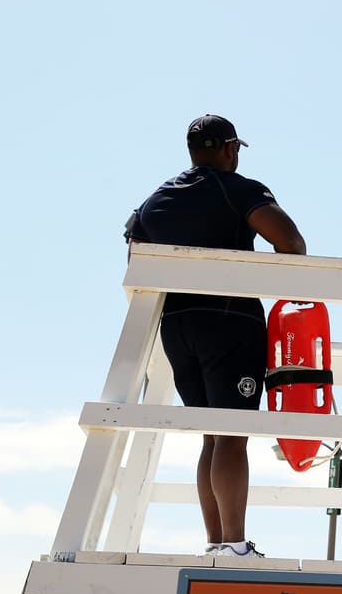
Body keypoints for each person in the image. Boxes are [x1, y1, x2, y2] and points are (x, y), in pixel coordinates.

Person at [126, 114, 306, 557]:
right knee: (232, 434)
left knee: (211, 436)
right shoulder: (239, 188)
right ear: (230, 149)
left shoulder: (159, 198)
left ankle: (217, 544)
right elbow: (291, 243)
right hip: (230, 321)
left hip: (178, 326)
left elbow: (135, 245)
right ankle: (236, 545)